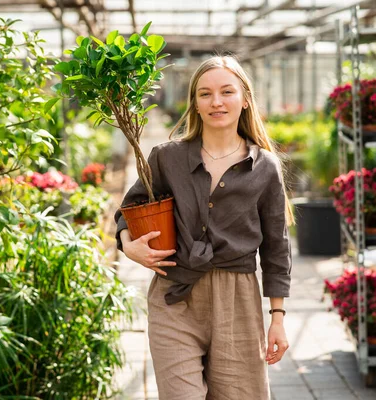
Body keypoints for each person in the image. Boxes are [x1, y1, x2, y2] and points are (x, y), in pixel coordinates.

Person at [114, 55, 293, 400]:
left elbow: (277, 248)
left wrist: (278, 317)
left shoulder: (264, 166)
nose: (216, 102)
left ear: (245, 100)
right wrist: (128, 245)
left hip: (238, 301)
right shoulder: (167, 158)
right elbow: (128, 209)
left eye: (227, 92)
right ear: (195, 104)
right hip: (174, 297)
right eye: (205, 94)